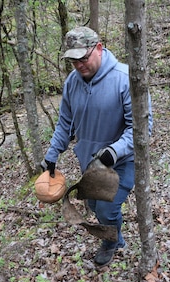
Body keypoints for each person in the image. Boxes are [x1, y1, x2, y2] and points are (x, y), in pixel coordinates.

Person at [41, 26, 153, 267]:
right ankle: (118, 238)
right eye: (73, 60)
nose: (79, 65)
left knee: (105, 210)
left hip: (122, 161)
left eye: (83, 58)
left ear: (99, 49)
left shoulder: (124, 78)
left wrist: (114, 151)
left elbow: (142, 127)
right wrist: (51, 155)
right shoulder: (72, 83)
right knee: (93, 204)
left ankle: (111, 243)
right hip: (90, 162)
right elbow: (65, 123)